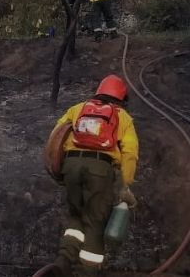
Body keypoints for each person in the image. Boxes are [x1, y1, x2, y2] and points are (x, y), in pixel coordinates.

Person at [50, 75, 139, 277]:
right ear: (121, 99)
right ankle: (86, 272)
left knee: (76, 215)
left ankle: (63, 261)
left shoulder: (78, 108)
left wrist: (58, 168)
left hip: (71, 166)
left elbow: (57, 134)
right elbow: (130, 152)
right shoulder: (122, 116)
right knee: (95, 222)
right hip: (100, 169)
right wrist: (126, 184)